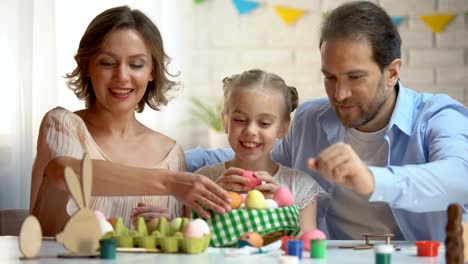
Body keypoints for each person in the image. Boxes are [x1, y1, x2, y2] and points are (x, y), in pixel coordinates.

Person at [186, 1, 468, 241]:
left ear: (392, 73)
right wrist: (167, 163)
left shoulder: (436, 115)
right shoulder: (311, 118)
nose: (339, 94)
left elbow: (459, 178)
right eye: (330, 77)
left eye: (355, 77)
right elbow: (260, 158)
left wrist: (371, 180)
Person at [30, 6, 230, 236]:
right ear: (87, 67)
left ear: (152, 71)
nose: (122, 76)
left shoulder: (171, 154)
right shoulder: (62, 124)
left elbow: (176, 243)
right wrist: (169, 183)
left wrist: (170, 226)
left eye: (136, 64)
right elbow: (65, 173)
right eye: (107, 62)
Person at [195, 69, 325, 232]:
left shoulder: (299, 187)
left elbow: (307, 247)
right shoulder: (203, 181)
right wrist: (212, 199)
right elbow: (189, 238)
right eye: (240, 120)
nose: (250, 130)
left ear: (283, 128)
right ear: (225, 121)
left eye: (264, 123)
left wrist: (283, 206)